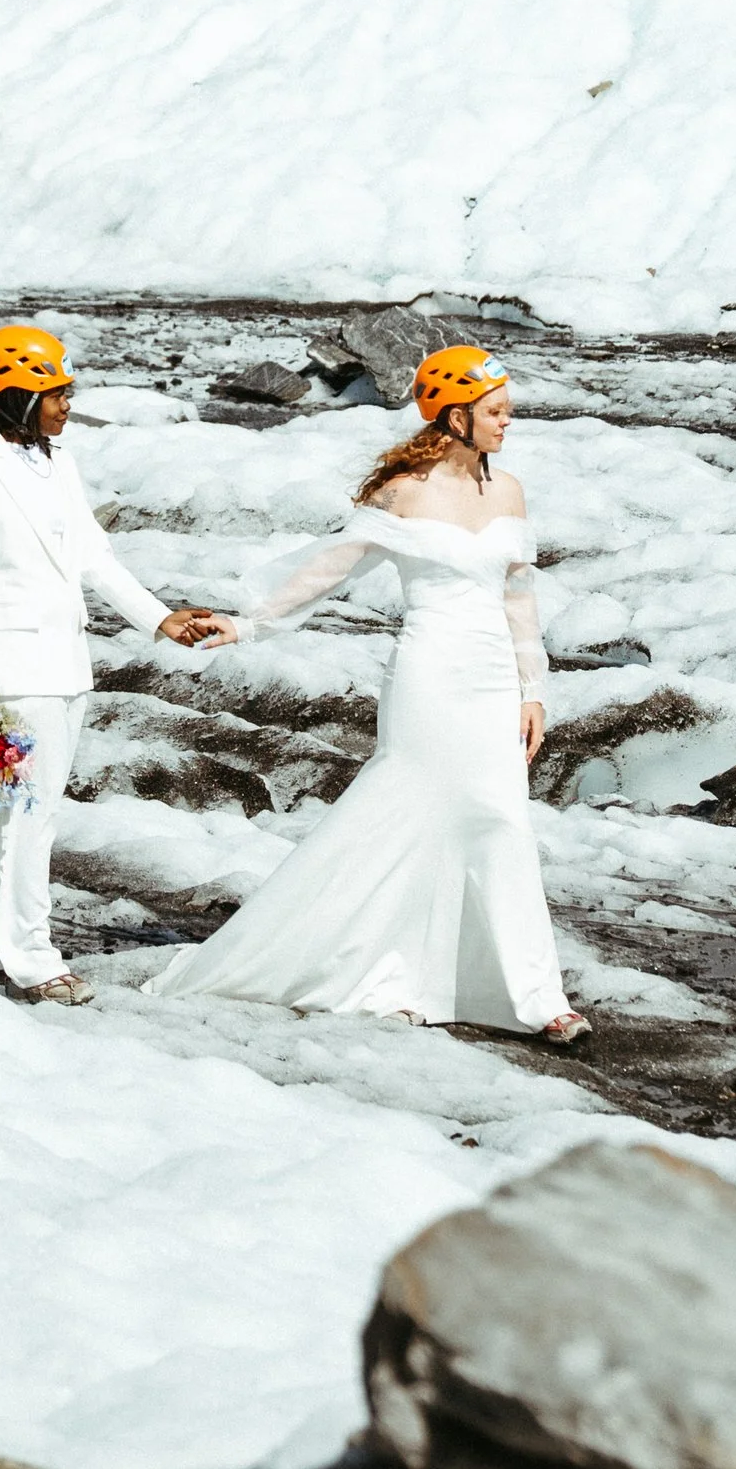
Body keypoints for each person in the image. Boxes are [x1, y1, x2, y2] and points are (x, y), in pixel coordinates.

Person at [156, 345, 588, 1045]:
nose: (508, 422)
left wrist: (533, 689)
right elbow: (328, 571)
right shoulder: (403, 492)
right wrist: (249, 623)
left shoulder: (507, 491)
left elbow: (518, 597)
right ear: (455, 415)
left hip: (491, 680)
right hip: (429, 676)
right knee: (406, 814)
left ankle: (534, 996)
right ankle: (394, 973)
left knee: (500, 822)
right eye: (496, 411)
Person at [0, 323, 230, 1004]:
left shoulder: (56, 463)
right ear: (14, 395)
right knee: (27, 818)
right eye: (56, 392)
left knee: (28, 816)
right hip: (8, 668)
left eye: (67, 390)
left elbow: (94, 557)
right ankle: (33, 961)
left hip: (66, 663)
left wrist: (159, 618)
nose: (68, 404)